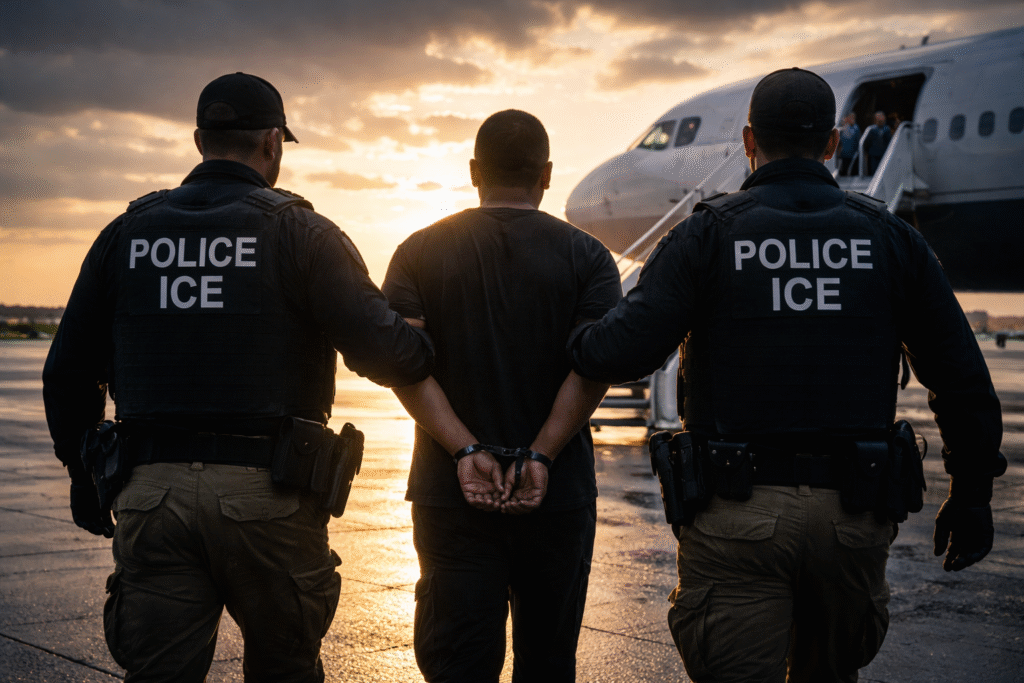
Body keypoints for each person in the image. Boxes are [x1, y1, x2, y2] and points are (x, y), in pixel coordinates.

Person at [568, 68, 1005, 682]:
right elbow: (960, 376)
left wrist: (579, 324)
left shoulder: (708, 235)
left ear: (749, 141)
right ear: (831, 144)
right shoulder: (891, 239)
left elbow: (620, 354)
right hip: (853, 514)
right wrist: (973, 492)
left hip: (737, 510)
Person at [42, 72, 434, 682]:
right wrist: (419, 331)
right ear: (273, 144)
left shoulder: (127, 233)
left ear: (199, 141)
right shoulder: (301, 233)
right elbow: (386, 356)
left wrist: (81, 470)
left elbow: (68, 372)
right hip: (270, 497)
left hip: (152, 492)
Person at [381, 109, 621, 683]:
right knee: (548, 662)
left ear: (473, 171)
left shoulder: (418, 250)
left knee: (457, 664)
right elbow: (592, 369)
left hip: (451, 494)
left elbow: (406, 367)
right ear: (546, 174)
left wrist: (466, 451)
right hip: (557, 494)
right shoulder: (588, 257)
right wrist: (540, 454)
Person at [862, 110, 893, 175]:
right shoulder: (872, 129)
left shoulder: (886, 129)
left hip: (884, 154)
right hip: (873, 154)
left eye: (881, 116)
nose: (880, 118)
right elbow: (868, 142)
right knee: (874, 170)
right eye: (878, 117)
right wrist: (867, 151)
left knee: (883, 170)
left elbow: (889, 142)